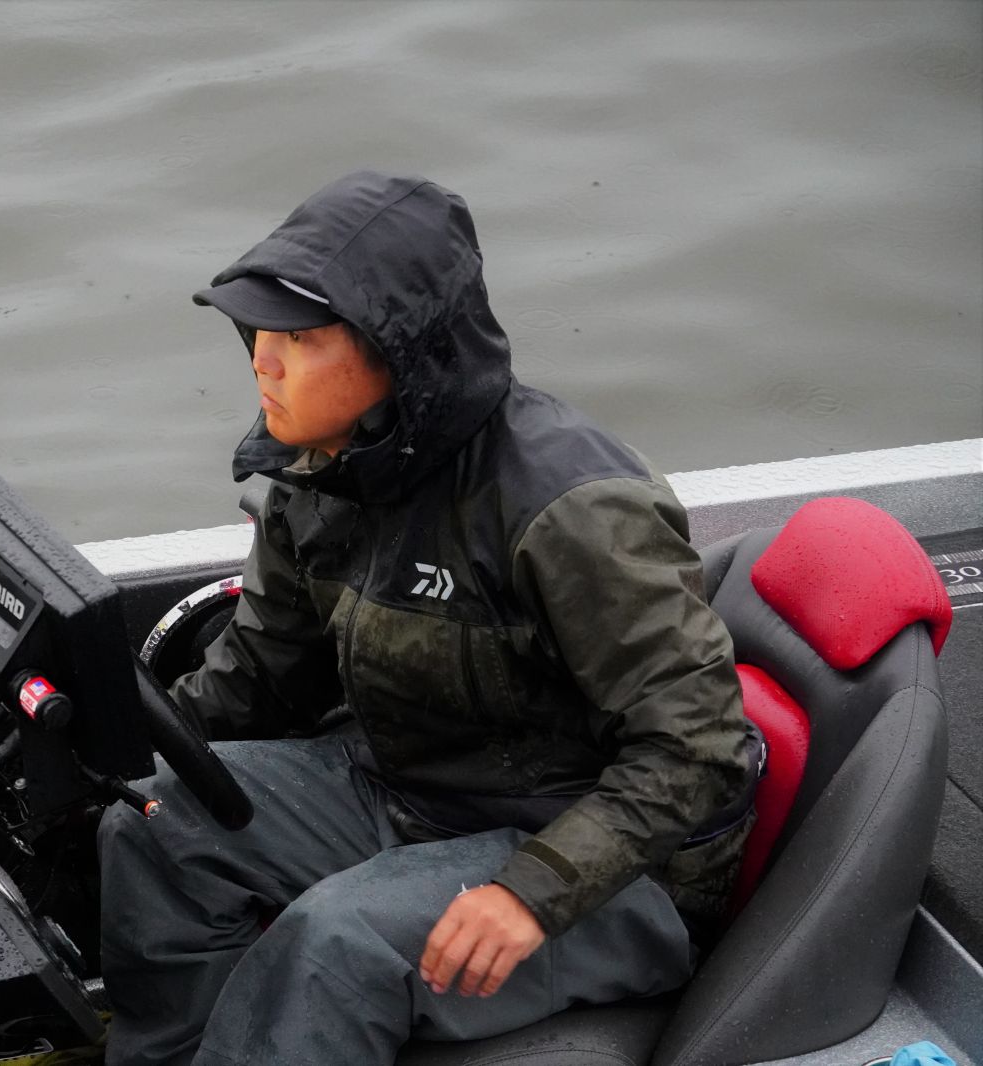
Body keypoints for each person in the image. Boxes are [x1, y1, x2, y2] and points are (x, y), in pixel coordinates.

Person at [98, 171, 756, 1066]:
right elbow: (256, 679)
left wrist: (533, 891)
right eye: (260, 333)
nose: (263, 362)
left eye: (301, 338)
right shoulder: (321, 470)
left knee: (336, 943)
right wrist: (115, 747)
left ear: (396, 353)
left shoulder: (571, 508)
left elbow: (700, 749)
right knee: (153, 821)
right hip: (415, 789)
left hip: (608, 864)